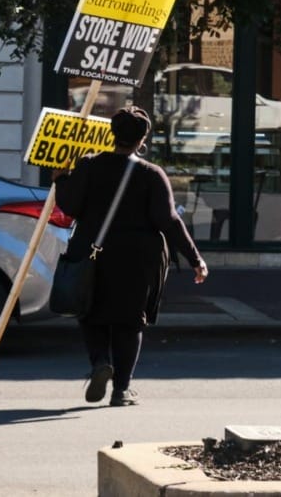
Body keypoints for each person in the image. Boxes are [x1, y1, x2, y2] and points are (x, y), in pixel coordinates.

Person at [54, 106, 208, 407]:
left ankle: (100, 363)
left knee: (90, 311)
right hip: (138, 259)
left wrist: (60, 180)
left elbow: (70, 207)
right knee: (129, 322)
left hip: (91, 252)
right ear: (143, 139)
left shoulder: (87, 165)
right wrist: (194, 258)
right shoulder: (151, 174)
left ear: (112, 134)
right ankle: (121, 390)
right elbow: (169, 220)